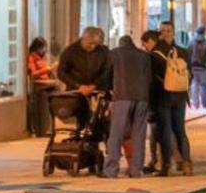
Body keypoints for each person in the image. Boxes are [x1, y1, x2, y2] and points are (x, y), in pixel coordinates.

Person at [145, 28, 193, 176]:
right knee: (180, 130)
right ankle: (186, 164)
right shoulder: (182, 52)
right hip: (179, 96)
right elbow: (189, 74)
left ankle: (166, 166)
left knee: (165, 130)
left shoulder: (153, 55)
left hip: (162, 96)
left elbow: (150, 80)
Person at [103, 34, 152, 178]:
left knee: (116, 134)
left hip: (122, 96)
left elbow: (107, 75)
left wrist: (107, 92)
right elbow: (149, 78)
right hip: (142, 98)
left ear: (120, 43)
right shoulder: (144, 56)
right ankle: (136, 169)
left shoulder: (115, 54)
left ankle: (111, 170)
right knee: (139, 134)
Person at [56, 26, 112, 96]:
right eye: (90, 43)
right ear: (83, 39)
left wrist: (94, 85)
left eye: (95, 44)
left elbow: (107, 71)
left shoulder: (103, 51)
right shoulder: (70, 51)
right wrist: (78, 86)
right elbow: (61, 72)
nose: (93, 46)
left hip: (97, 90)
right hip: (76, 91)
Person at [27, 37, 60, 137]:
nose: (44, 50)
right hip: (39, 86)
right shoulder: (31, 58)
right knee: (42, 106)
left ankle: (49, 127)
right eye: (42, 47)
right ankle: (42, 129)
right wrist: (47, 69)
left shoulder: (43, 57)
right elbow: (33, 74)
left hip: (47, 84)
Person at [188, 29, 206, 109]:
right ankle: (205, 104)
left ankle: (196, 104)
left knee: (194, 85)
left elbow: (188, 52)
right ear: (204, 33)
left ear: (196, 32)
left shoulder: (191, 42)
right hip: (203, 66)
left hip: (193, 66)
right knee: (204, 86)